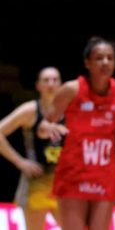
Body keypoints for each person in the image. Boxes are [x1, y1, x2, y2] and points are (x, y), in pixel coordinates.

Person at [45, 36, 115, 229]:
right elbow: (43, 123)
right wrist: (48, 128)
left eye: (110, 58)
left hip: (104, 174)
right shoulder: (71, 89)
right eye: (99, 58)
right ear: (87, 62)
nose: (105, 62)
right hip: (73, 173)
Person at [0, 67, 66, 230]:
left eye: (54, 79)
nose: (51, 84)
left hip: (64, 183)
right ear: (38, 85)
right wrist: (20, 162)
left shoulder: (71, 110)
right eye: (46, 80)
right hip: (36, 183)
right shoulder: (30, 110)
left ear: (61, 84)